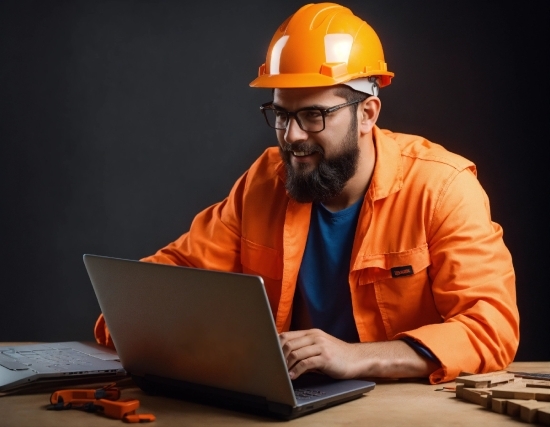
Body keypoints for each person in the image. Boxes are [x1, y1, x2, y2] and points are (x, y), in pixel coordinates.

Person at [94, 2, 519, 384]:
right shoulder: (264, 181)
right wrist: (129, 319)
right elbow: (170, 276)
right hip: (292, 404)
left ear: (367, 114)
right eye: (281, 115)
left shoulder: (442, 187)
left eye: (314, 115)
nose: (293, 136)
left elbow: (491, 327)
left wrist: (355, 357)